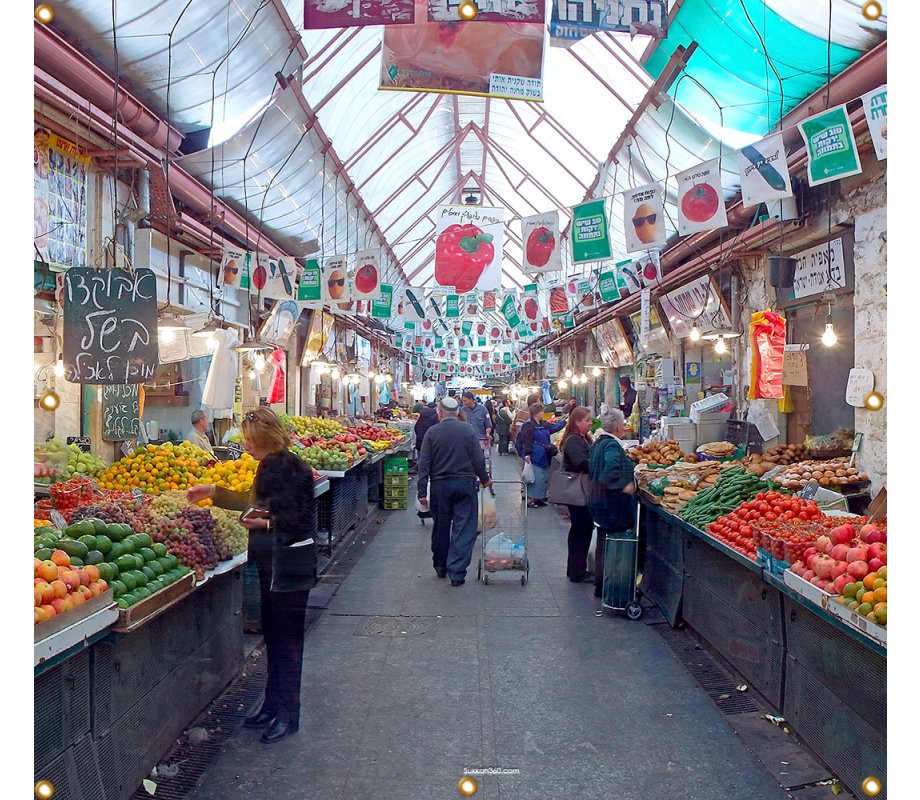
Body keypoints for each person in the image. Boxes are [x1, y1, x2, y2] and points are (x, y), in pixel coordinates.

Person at [188, 408, 319, 743]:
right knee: (273, 638)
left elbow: (303, 520)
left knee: (288, 644)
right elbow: (251, 504)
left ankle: (289, 715)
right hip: (270, 564)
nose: (245, 445)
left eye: (250, 440)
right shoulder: (267, 465)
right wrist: (213, 491)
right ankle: (271, 705)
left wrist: (267, 523)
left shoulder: (295, 469)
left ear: (267, 438)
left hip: (290, 567)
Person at [417, 397, 492, 586]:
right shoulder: (468, 430)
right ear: (458, 412)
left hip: (440, 486)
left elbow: (424, 463)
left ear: (439, 413)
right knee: (464, 528)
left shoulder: (432, 432)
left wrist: (422, 491)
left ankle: (440, 566)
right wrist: (485, 479)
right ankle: (457, 573)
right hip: (464, 485)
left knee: (441, 526)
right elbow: (478, 459)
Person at [587, 409, 637, 599]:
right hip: (611, 506)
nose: (624, 427)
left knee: (603, 543)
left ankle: (600, 585)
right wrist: (625, 486)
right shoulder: (611, 446)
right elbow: (609, 471)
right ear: (617, 427)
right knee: (615, 547)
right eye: (622, 424)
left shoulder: (599, 442)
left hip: (597, 502)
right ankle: (614, 588)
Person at [560, 406, 595, 583]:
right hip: (578, 490)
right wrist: (598, 461)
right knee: (582, 527)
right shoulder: (574, 440)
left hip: (581, 490)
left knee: (580, 528)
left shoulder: (582, 438)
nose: (590, 423)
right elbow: (580, 463)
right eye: (587, 420)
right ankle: (577, 571)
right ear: (577, 422)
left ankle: (575, 568)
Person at [518, 403, 566, 509]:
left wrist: (564, 422)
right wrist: (527, 454)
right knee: (535, 477)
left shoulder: (543, 423)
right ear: (537, 413)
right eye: (542, 411)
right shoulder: (528, 425)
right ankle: (530, 499)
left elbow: (553, 428)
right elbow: (526, 440)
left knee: (543, 477)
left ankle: (538, 498)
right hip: (534, 455)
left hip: (544, 454)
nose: (543, 413)